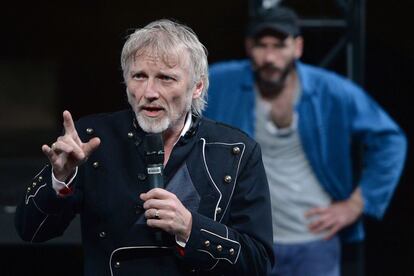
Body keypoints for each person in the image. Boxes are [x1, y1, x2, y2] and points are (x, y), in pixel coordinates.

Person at [14, 19, 274, 275]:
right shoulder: (93, 138)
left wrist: (190, 228)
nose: (150, 91)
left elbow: (258, 262)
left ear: (197, 87)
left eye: (165, 78)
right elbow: (30, 231)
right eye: (139, 76)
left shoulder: (236, 150)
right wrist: (60, 180)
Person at [204, 6, 407, 276]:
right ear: (248, 47)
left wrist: (357, 204)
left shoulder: (329, 91)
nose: (270, 57)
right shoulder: (222, 81)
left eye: (279, 45)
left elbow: (389, 139)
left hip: (314, 241)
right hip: (250, 242)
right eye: (261, 46)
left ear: (297, 47)